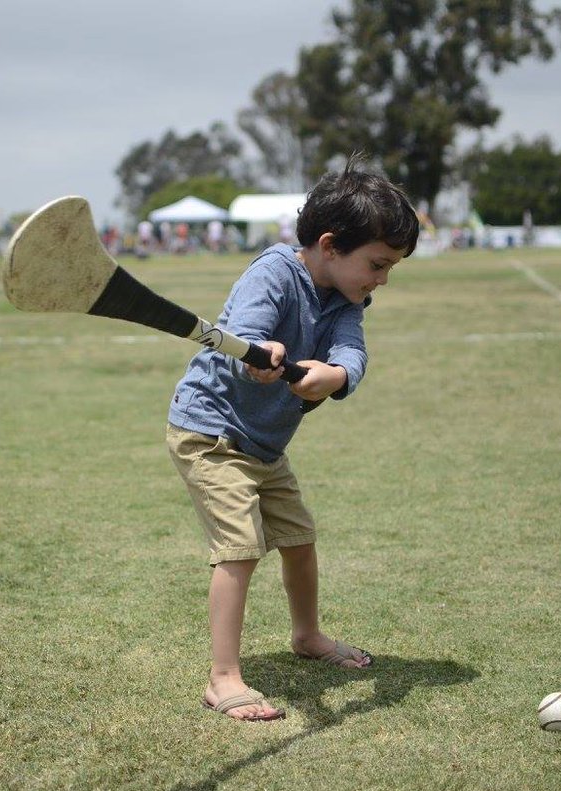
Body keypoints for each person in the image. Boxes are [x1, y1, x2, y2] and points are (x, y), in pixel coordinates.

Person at [166, 154, 420, 721]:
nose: (381, 279)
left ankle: (307, 636)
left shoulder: (347, 299)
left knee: (299, 539)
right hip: (211, 430)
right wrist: (258, 357)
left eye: (389, 269)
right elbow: (241, 339)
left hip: (264, 444)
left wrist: (338, 375)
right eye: (377, 265)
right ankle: (224, 677)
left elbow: (350, 350)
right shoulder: (274, 274)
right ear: (330, 246)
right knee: (240, 545)